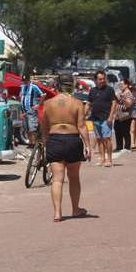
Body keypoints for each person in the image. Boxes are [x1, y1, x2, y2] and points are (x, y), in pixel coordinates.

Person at [41, 77, 92, 222]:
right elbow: (82, 126)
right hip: (72, 139)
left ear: (57, 86)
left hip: (55, 139)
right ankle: (75, 209)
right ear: (73, 87)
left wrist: (45, 141)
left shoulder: (48, 104)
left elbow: (44, 125)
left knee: (57, 179)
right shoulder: (77, 103)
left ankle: (57, 213)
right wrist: (88, 146)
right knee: (74, 178)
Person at [87, 70, 116, 167]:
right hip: (95, 118)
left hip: (106, 118)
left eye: (103, 79)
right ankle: (102, 159)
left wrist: (111, 116)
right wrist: (83, 115)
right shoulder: (92, 91)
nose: (102, 81)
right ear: (95, 80)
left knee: (107, 139)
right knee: (99, 139)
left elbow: (114, 103)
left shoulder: (109, 90)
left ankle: (109, 160)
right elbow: (89, 104)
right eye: (100, 79)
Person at [20, 75, 44, 147]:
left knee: (32, 128)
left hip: (31, 111)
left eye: (26, 81)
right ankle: (30, 143)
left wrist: (38, 105)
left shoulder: (34, 87)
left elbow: (43, 95)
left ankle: (33, 143)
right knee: (26, 128)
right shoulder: (22, 87)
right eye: (24, 81)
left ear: (29, 81)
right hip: (24, 111)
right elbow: (21, 96)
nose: (25, 83)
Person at [113, 79, 134, 152]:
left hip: (125, 115)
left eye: (122, 84)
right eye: (119, 85)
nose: (120, 86)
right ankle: (119, 147)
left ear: (126, 85)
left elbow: (128, 105)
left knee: (125, 131)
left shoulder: (129, 93)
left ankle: (127, 147)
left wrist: (123, 98)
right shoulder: (119, 92)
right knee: (117, 130)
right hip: (118, 116)